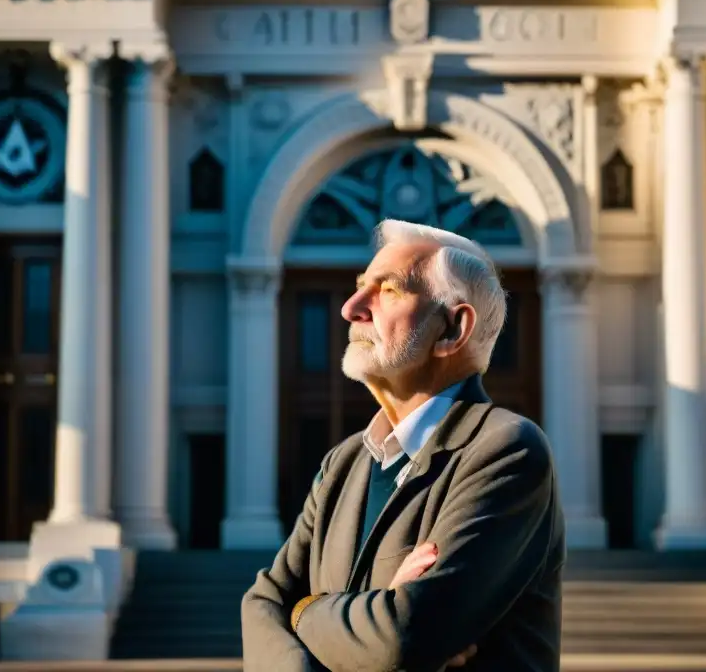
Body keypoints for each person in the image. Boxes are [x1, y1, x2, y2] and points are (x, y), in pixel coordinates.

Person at [241, 219, 565, 672]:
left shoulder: (507, 450)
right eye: (359, 287)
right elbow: (260, 605)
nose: (351, 307)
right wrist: (362, 622)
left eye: (388, 290)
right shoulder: (344, 462)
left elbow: (402, 637)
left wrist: (301, 612)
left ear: (453, 329)